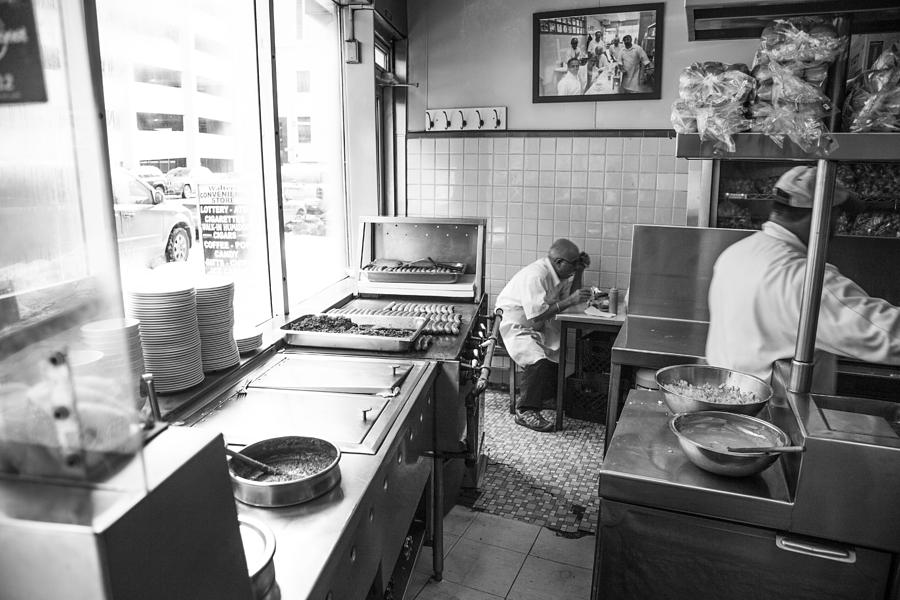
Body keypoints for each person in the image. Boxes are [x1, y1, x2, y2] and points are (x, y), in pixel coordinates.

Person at [706, 166, 900, 393]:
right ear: (822, 215)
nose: (836, 227)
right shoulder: (804, 277)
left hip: (726, 405)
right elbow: (886, 333)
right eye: (837, 216)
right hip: (779, 418)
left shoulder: (734, 254)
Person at [496, 239, 592, 432]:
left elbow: (569, 298)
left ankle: (544, 398)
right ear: (559, 262)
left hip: (535, 326)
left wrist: (580, 271)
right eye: (573, 263)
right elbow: (536, 315)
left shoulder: (558, 274)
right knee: (538, 360)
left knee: (558, 351)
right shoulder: (536, 275)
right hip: (512, 326)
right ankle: (525, 411)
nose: (574, 267)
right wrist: (570, 301)